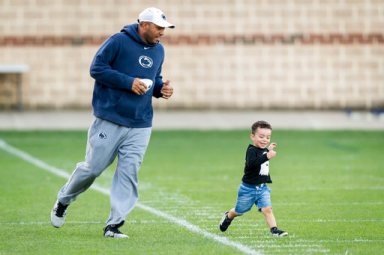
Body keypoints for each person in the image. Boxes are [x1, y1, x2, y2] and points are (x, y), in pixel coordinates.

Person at [50, 7, 175, 238]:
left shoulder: (159, 51)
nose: (162, 33)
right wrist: (129, 82)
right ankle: (63, 199)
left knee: (128, 173)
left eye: (164, 29)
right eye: (158, 28)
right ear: (144, 24)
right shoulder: (118, 41)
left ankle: (114, 225)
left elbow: (154, 79)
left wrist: (161, 89)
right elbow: (96, 69)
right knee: (92, 169)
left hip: (141, 123)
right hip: (110, 118)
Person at [219, 120, 288, 237]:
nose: (265, 140)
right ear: (252, 136)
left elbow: (262, 154)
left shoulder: (263, 150)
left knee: (267, 209)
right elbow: (252, 163)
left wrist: (268, 150)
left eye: (268, 137)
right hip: (248, 189)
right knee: (239, 211)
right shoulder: (251, 150)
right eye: (261, 136)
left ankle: (274, 230)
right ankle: (228, 216)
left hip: (262, 188)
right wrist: (267, 156)